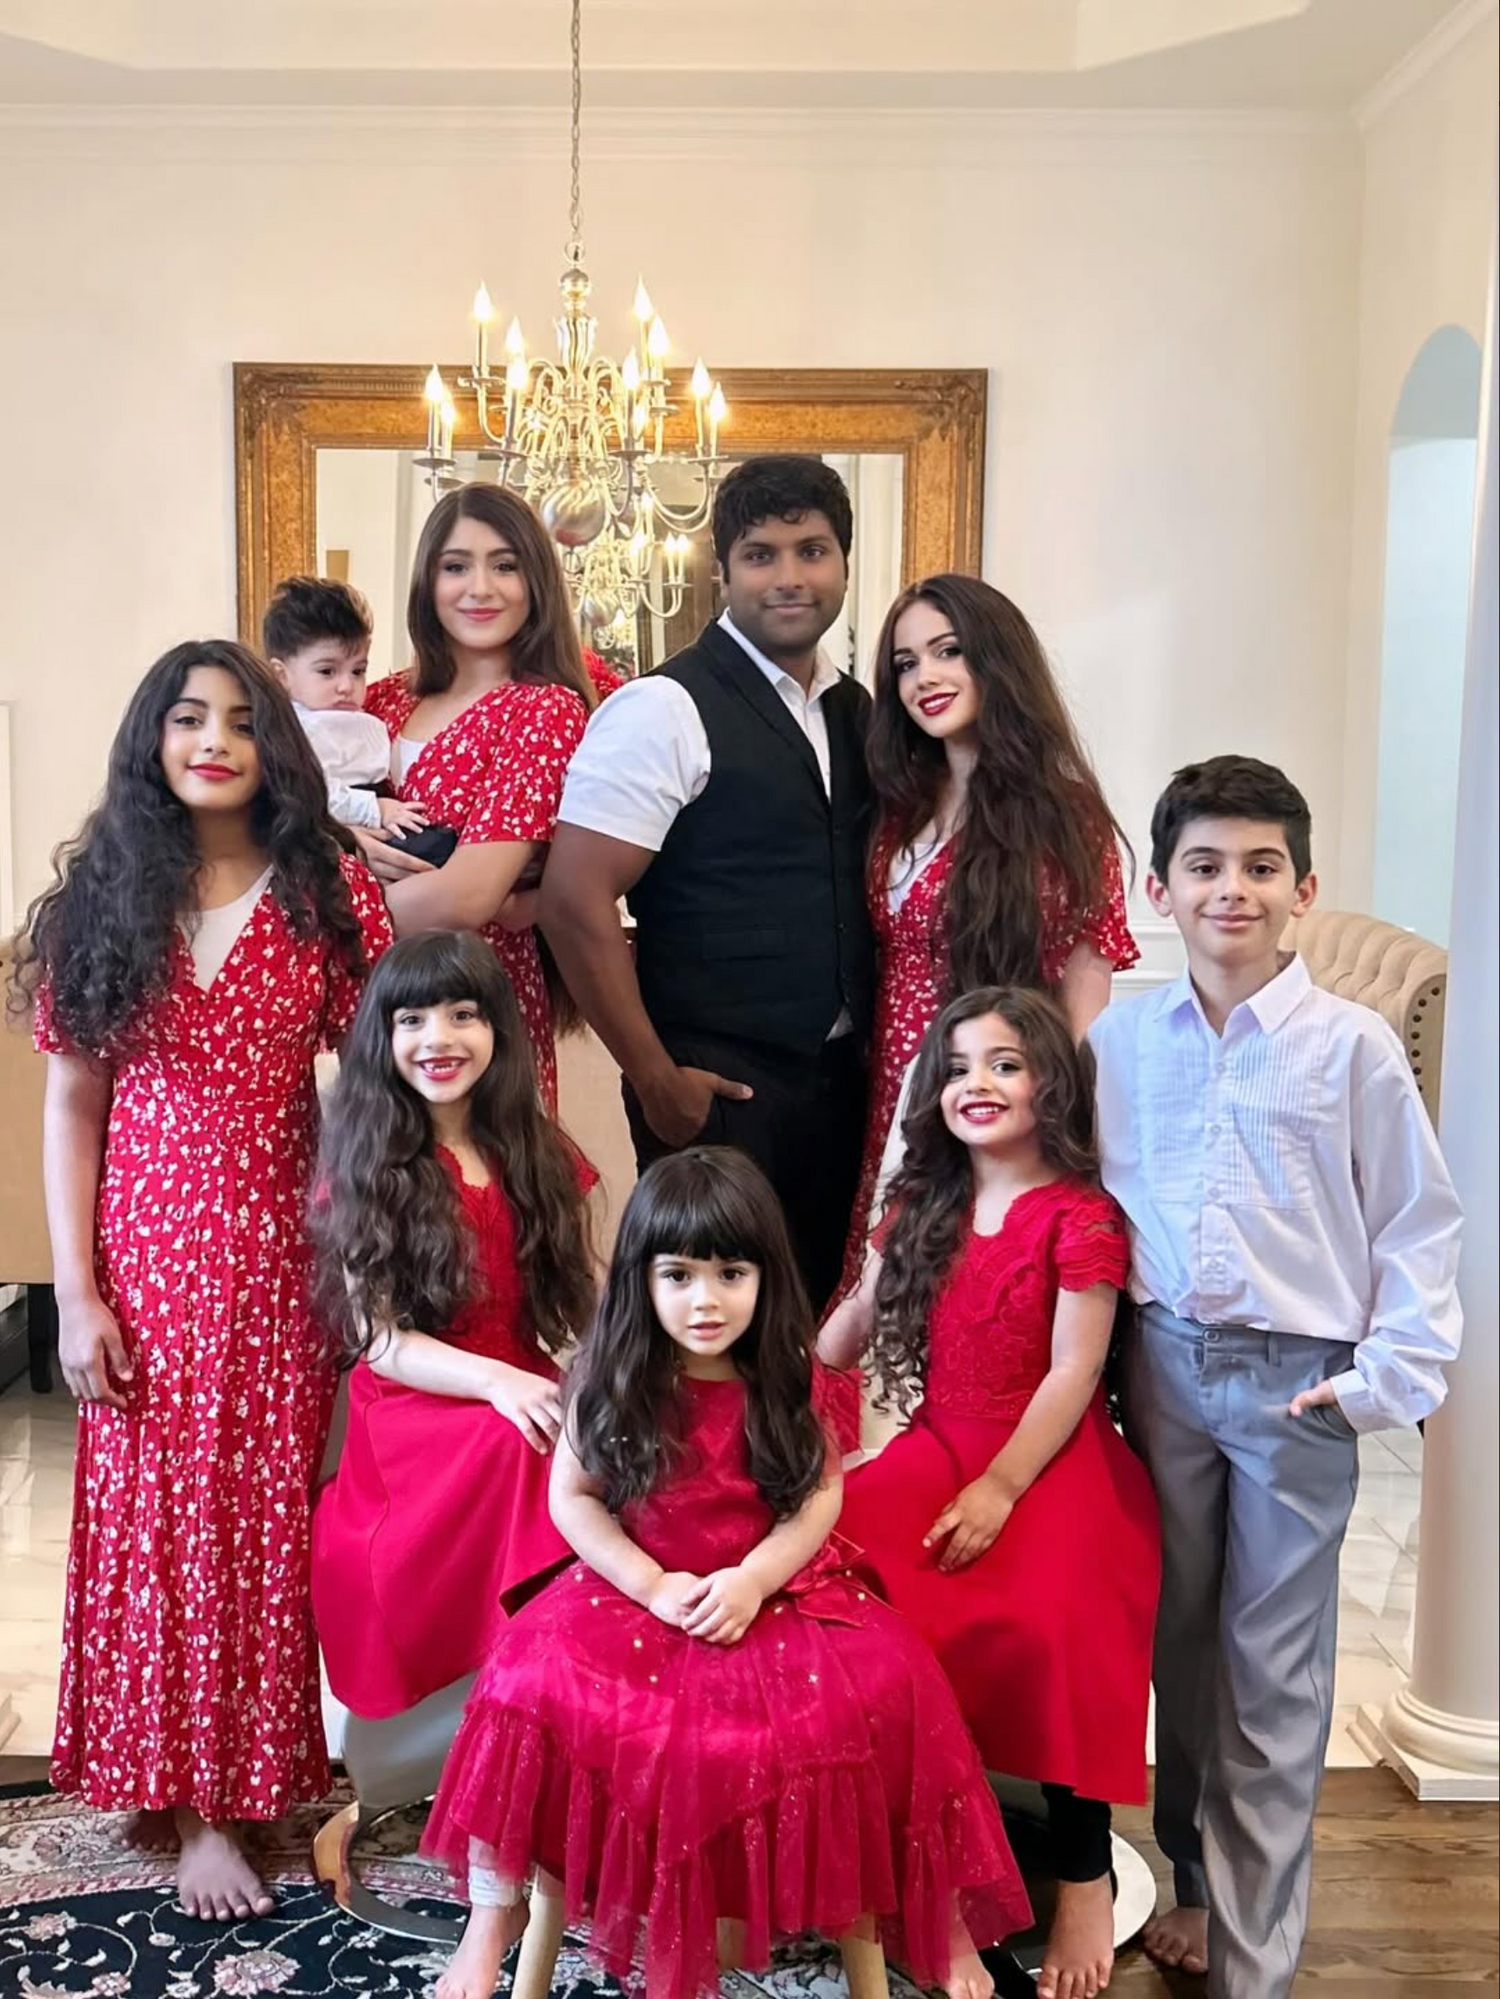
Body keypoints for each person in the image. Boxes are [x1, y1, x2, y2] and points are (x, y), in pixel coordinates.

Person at [422, 1148, 1031, 1999]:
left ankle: (942, 1922)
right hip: (634, 1589)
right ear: (642, 1278)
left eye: (729, 1273)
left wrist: (754, 1577)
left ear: (765, 1275)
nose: (705, 1300)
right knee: (523, 1683)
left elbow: (819, 1498)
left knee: (900, 1685)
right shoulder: (613, 1374)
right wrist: (648, 1581)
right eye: (679, 1274)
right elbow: (573, 1500)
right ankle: (494, 1914)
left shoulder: (788, 1373)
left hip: (777, 1589)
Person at [10, 641, 391, 1921]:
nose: (214, 739)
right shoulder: (103, 901)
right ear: (153, 741)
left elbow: (388, 1083)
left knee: (263, 1529)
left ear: (275, 745)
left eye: (240, 718)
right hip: (143, 1265)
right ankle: (179, 1798)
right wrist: (75, 1292)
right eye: (188, 717)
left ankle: (244, 1783)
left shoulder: (324, 895)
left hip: (284, 1272)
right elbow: (72, 1106)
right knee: (154, 1531)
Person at [1089, 755, 1464, 1998]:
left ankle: (1256, 1966)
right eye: (1204, 866)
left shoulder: (1350, 1049)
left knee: (1273, 1673)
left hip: (1297, 1384)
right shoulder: (1125, 1038)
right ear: (1161, 887)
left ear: (1303, 886)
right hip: (1161, 1369)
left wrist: (1379, 1380)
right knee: (1178, 1644)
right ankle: (1196, 1888)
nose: (1230, 890)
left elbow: (1417, 1221)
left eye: (1259, 867)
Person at [821, 988, 1160, 1999]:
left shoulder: (1082, 1213)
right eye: (960, 1065)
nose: (979, 1083)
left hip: (1054, 1458)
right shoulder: (921, 1207)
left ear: (1051, 1081)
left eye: (1005, 1063)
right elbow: (843, 1338)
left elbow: (1072, 1374)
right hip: (940, 1442)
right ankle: (906, 1862)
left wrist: (1004, 1487)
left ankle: (1083, 1861)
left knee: (1054, 1617)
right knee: (850, 1583)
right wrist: (852, 1294)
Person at [540, 455, 876, 1311]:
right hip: (714, 1089)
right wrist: (655, 1078)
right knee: (708, 1341)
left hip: (840, 1083)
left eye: (813, 550)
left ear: (845, 562)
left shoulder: (860, 711)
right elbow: (574, 900)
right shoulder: (664, 707)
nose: (791, 576)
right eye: (762, 554)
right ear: (722, 570)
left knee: (814, 1326)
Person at [310, 931, 596, 1718]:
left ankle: (580, 1697)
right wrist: (502, 1382)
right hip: (413, 1407)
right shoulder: (367, 1164)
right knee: (523, 1444)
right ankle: (510, 1695)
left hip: (517, 1376)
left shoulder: (534, 1150)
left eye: (463, 1013)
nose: (438, 1038)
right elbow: (380, 1339)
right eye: (412, 1019)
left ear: (499, 1029)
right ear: (383, 1037)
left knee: (612, 1439)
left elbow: (586, 1291)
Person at [839, 575, 1137, 1294]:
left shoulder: (1064, 815)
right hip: (895, 1089)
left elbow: (1083, 983)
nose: (925, 678)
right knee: (886, 1287)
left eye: (948, 651)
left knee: (975, 1289)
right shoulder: (897, 806)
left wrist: (1057, 1120)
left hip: (998, 1095)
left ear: (996, 660)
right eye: (906, 664)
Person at [360, 482, 597, 1110]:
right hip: (376, 1002)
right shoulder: (381, 698)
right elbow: (299, 817)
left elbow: (467, 896)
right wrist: (352, 839)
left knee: (479, 1191)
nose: (480, 588)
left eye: (505, 565)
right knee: (375, 1193)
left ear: (536, 581)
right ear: (427, 581)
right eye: (456, 566)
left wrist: (313, 917)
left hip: (477, 1002)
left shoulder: (544, 708)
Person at [264, 574, 458, 866]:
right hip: (332, 824)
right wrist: (375, 809)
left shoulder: (354, 715)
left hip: (373, 810)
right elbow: (311, 795)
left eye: (358, 671)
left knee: (440, 845)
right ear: (282, 676)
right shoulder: (296, 730)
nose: (346, 686)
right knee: (432, 852)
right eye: (327, 671)